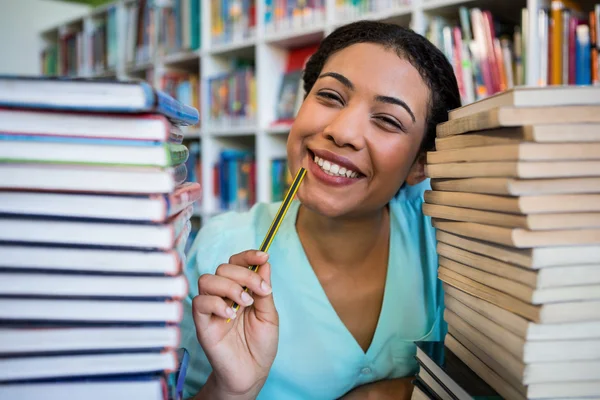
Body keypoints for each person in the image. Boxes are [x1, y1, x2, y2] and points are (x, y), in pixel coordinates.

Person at [180, 20, 461, 400]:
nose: (342, 131)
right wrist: (230, 390)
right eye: (330, 96)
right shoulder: (218, 248)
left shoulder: (446, 233)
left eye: (388, 120)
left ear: (420, 164)